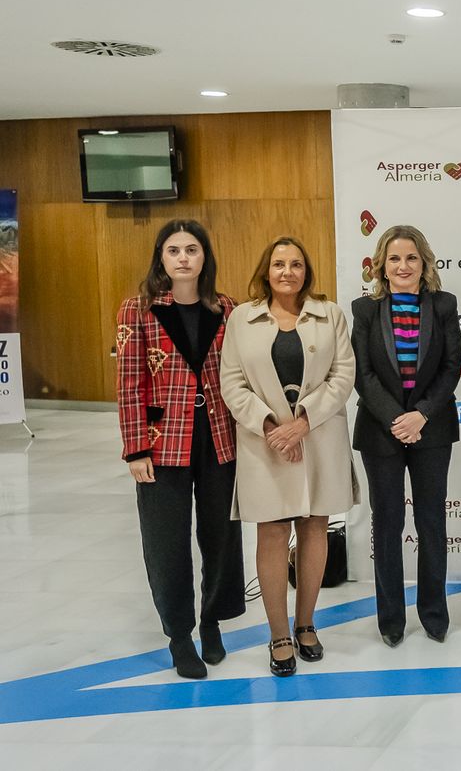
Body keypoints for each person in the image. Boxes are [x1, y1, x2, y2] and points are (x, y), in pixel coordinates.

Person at [219, 236, 358, 676]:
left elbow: (344, 375)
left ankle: (306, 624)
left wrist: (303, 422)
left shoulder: (329, 314)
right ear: (266, 269)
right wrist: (270, 427)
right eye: (279, 263)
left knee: (315, 525)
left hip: (317, 438)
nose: (287, 272)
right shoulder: (242, 318)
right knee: (273, 532)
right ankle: (279, 634)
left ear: (306, 271)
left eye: (296, 264)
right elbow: (231, 382)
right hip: (265, 444)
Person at [115, 220, 245, 678]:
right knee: (167, 542)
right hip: (160, 443)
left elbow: (238, 377)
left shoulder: (227, 308)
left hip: (219, 437)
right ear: (161, 258)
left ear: (205, 256)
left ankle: (212, 622)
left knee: (221, 537)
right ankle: (179, 635)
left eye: (192, 249)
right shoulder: (137, 310)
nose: (184, 258)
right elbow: (129, 384)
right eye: (174, 250)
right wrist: (135, 450)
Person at [351, 225, 461, 646]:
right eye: (395, 258)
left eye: (411, 258)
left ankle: (434, 613)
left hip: (431, 430)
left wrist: (420, 415)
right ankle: (391, 619)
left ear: (423, 263)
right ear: (382, 265)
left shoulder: (443, 305)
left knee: (431, 521)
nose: (403, 266)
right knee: (388, 523)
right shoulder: (364, 310)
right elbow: (362, 374)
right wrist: (398, 418)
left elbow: (453, 366)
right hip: (381, 431)